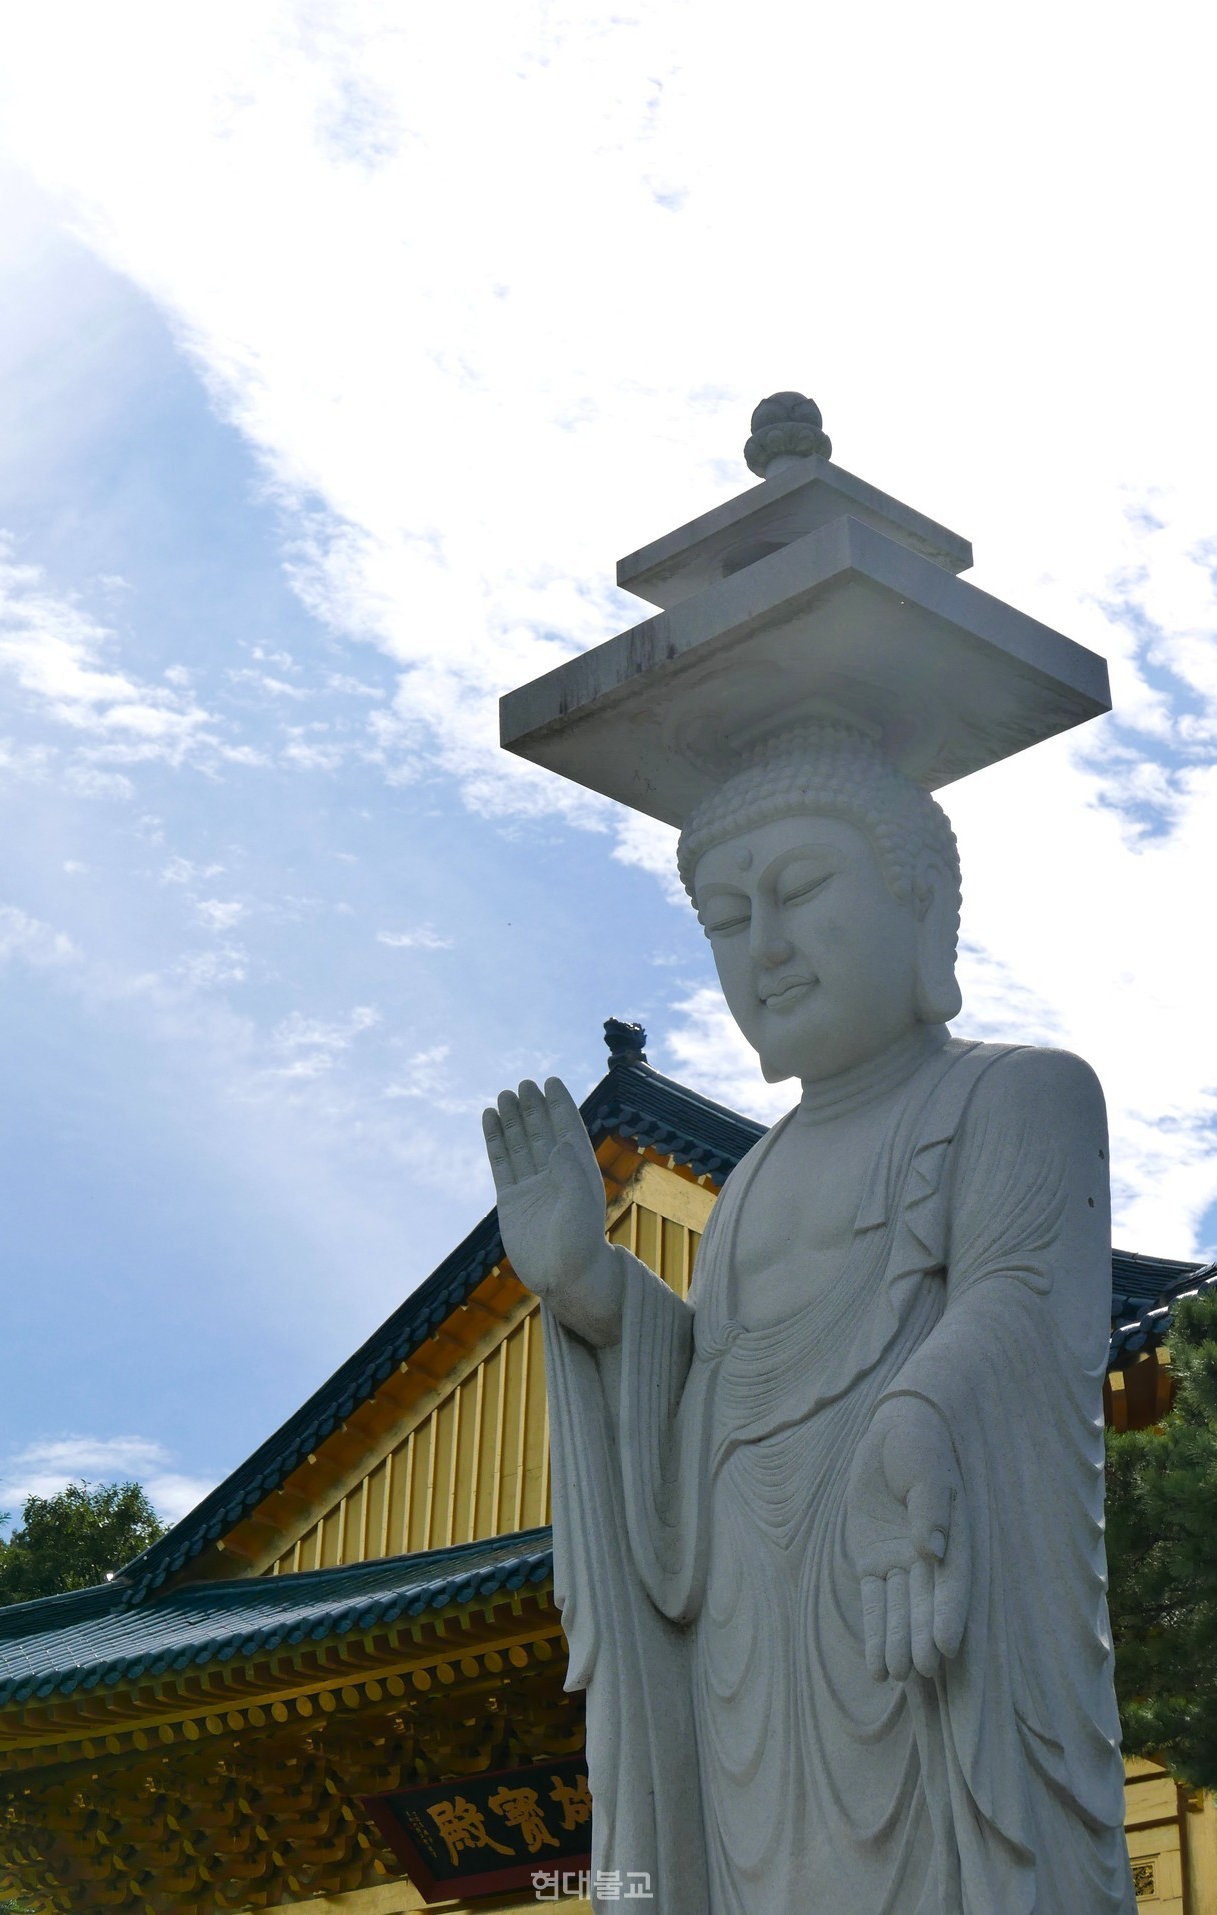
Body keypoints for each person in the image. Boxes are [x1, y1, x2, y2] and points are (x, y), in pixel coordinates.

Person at [483, 719, 1135, 1915]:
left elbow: (1022, 1305)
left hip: (909, 1599)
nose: (763, 949)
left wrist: (920, 1418)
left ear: (923, 906)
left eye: (798, 889)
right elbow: (704, 1409)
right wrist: (593, 1291)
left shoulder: (1013, 1094)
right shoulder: (747, 1194)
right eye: (727, 923)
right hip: (749, 1645)